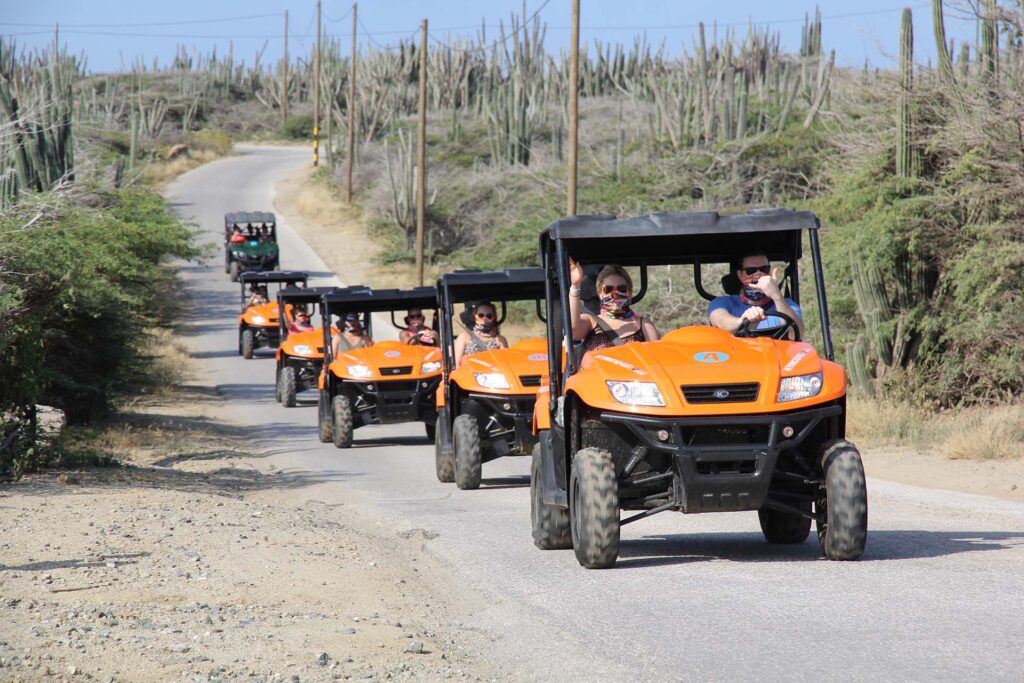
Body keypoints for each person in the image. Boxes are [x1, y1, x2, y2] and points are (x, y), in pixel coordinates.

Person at [568, 259, 660, 352]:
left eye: (621, 288)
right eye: (608, 289)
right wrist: (575, 285)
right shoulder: (591, 321)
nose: (615, 293)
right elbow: (573, 327)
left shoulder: (643, 324)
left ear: (630, 292)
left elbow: (656, 357)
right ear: (600, 293)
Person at [708, 253, 804, 339]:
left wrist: (777, 295)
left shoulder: (787, 305)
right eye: (751, 270)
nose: (759, 274)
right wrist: (742, 321)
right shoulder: (721, 303)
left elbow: (796, 334)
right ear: (740, 275)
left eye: (764, 269)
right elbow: (721, 321)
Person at [454, 301, 508, 367]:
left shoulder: (500, 340)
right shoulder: (464, 337)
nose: (484, 318)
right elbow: (457, 364)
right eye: (481, 315)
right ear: (475, 316)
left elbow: (504, 364)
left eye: (489, 316)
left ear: (493, 318)